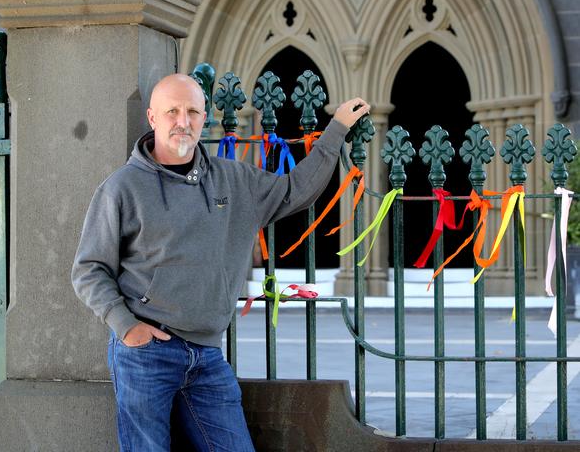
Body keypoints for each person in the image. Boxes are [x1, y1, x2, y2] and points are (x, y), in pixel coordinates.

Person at [71, 73, 370, 451]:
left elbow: (296, 191)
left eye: (193, 111)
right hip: (145, 354)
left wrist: (336, 130)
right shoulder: (121, 188)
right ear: (152, 117)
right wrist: (126, 326)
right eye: (172, 111)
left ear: (205, 117)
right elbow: (88, 269)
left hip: (208, 356)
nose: (183, 121)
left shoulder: (233, 181)